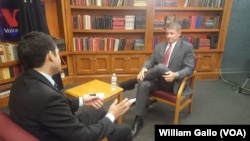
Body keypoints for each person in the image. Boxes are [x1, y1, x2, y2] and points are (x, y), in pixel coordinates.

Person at [8, 31, 133, 141]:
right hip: (63, 135)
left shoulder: (20, 81)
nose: (60, 56)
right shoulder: (47, 97)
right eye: (58, 52)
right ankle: (111, 132)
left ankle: (108, 131)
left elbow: (51, 107)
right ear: (51, 56)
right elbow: (83, 136)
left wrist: (81, 101)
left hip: (50, 127)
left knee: (99, 111)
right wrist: (112, 115)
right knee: (124, 130)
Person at [130, 22, 195, 137]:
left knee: (160, 68)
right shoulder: (160, 46)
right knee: (144, 84)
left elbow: (189, 68)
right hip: (158, 81)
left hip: (173, 82)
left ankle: (133, 81)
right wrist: (144, 68)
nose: (169, 36)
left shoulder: (187, 47)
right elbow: (150, 60)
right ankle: (138, 120)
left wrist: (176, 74)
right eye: (167, 33)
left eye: (172, 33)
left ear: (179, 34)